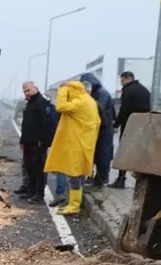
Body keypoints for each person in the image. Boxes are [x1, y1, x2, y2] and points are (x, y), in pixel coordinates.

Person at [44, 80, 100, 216]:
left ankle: (74, 206)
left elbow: (60, 107)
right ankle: (73, 203)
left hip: (78, 143)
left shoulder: (80, 102)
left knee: (74, 175)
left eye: (68, 93)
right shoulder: (89, 100)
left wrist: (62, 90)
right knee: (77, 174)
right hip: (83, 141)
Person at [15, 81, 56, 202]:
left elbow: (47, 124)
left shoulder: (42, 103)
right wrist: (22, 140)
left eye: (28, 90)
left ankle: (39, 193)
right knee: (29, 167)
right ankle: (31, 191)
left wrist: (43, 141)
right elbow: (25, 124)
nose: (27, 93)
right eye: (25, 91)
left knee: (39, 168)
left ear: (35, 88)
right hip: (28, 142)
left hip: (38, 143)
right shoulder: (29, 104)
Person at [113, 71, 152, 189]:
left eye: (122, 80)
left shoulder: (127, 90)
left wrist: (116, 124)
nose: (122, 83)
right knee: (139, 154)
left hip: (129, 125)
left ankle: (121, 180)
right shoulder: (145, 90)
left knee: (124, 153)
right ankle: (140, 182)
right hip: (143, 126)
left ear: (127, 78)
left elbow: (124, 109)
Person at [78, 73, 116, 191]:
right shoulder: (98, 93)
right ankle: (97, 178)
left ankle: (101, 179)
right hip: (100, 128)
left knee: (102, 154)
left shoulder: (101, 93)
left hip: (104, 129)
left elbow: (97, 108)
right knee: (98, 154)